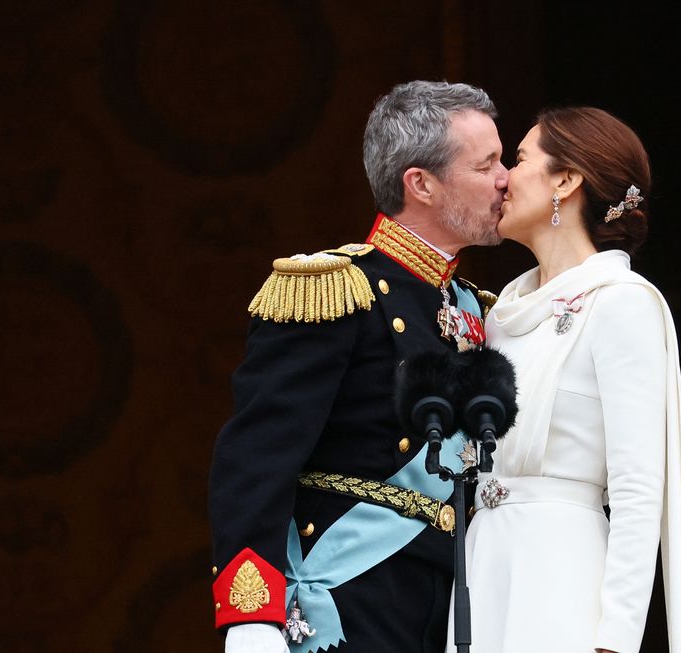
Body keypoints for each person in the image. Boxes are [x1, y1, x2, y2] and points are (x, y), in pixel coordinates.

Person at [208, 80, 508, 653]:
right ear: (420, 183)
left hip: (450, 612)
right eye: (486, 164)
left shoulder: (477, 308)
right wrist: (252, 616)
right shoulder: (334, 290)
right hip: (348, 603)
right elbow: (255, 457)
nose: (506, 179)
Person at [448, 107, 681, 653]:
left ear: (565, 181)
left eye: (519, 160)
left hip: (563, 579)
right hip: (483, 568)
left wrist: (614, 640)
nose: (503, 178)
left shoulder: (621, 304)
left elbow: (640, 490)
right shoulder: (499, 317)